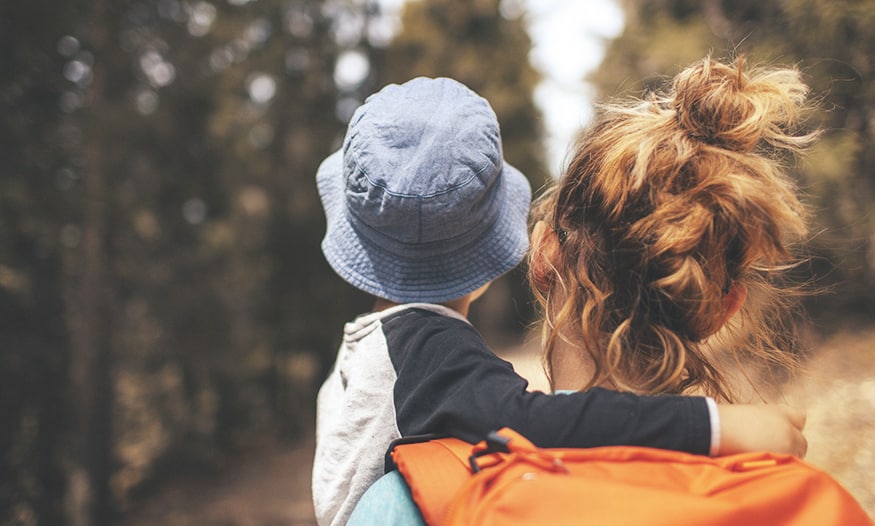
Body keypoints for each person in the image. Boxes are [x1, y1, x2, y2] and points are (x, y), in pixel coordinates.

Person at [313, 75, 806, 526]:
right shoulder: (429, 349)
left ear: (545, 253)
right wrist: (714, 424)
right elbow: (538, 424)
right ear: (721, 304)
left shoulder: (369, 356)